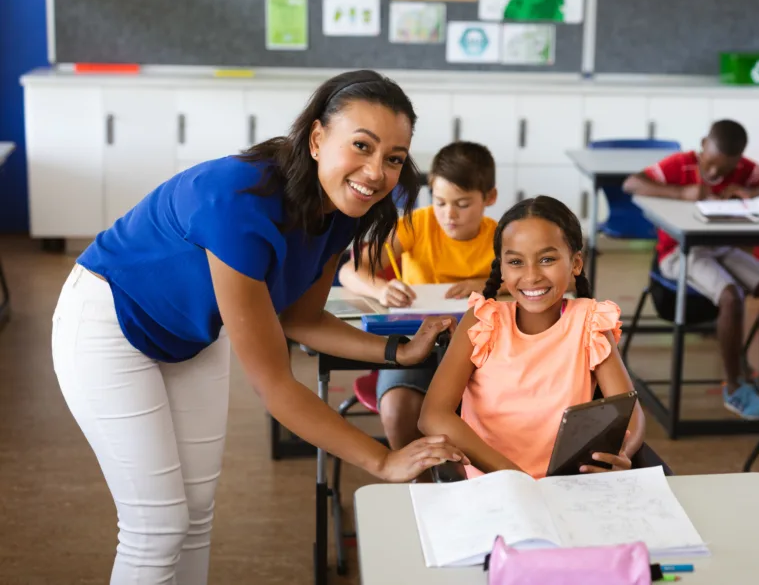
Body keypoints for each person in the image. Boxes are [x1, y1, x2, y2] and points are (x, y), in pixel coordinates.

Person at [51, 70, 466, 585]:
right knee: (157, 526)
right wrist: (382, 461)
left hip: (189, 335)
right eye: (361, 145)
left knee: (198, 510)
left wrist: (396, 351)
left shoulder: (344, 207)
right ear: (318, 139)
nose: (376, 172)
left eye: (394, 158)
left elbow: (301, 319)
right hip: (108, 323)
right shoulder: (238, 203)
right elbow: (274, 385)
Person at [418, 196, 645, 478]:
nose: (532, 276)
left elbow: (628, 412)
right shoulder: (481, 322)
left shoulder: (591, 322)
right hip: (494, 486)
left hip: (569, 486)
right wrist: (515, 478)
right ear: (501, 267)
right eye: (515, 262)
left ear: (575, 263)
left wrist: (621, 452)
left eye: (547, 259)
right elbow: (433, 415)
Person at [623, 119, 759, 420]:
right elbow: (632, 183)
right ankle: (734, 387)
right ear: (703, 144)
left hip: (721, 248)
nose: (717, 173)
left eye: (726, 167)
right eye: (712, 164)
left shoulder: (742, 170)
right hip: (679, 253)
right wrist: (681, 194)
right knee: (731, 296)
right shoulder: (680, 165)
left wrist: (748, 190)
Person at [338, 141, 498, 456]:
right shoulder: (418, 225)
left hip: (480, 354)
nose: (449, 215)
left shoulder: (502, 237)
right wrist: (380, 289)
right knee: (398, 408)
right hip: (415, 345)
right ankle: (416, 482)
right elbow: (349, 271)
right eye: (440, 202)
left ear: (489, 198)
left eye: (462, 204)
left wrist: (487, 283)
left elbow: (533, 281)